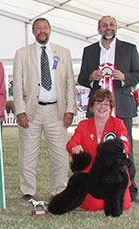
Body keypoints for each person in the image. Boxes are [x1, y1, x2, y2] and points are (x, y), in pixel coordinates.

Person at [12, 18, 76, 200]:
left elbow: (70, 82)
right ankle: (28, 191)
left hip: (57, 111)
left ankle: (60, 190)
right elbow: (17, 85)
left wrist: (70, 109)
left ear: (50, 30)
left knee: (60, 155)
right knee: (27, 154)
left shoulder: (63, 53)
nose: (42, 30)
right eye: (38, 28)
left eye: (45, 27)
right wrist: (20, 111)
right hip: (31, 112)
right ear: (33, 32)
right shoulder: (22, 53)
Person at [77, 15, 139, 202]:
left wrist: (123, 77)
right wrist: (91, 76)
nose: (108, 27)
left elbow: (137, 74)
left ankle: (131, 189)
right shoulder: (89, 51)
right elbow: (81, 78)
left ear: (116, 27)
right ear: (98, 29)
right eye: (104, 25)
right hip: (98, 108)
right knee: (96, 147)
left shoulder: (129, 48)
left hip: (121, 106)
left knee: (125, 148)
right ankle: (99, 186)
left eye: (111, 24)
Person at [66, 89, 131, 211]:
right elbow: (72, 142)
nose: (102, 107)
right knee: (94, 206)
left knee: (124, 205)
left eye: (106, 103)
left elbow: (125, 143)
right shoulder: (84, 125)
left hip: (114, 175)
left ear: (111, 107)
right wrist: (74, 147)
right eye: (98, 103)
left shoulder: (118, 124)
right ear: (92, 107)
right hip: (92, 175)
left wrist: (122, 150)